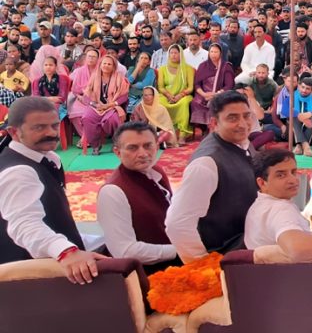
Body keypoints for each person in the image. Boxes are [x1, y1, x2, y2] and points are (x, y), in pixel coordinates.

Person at [0, 97, 106, 283]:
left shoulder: (48, 157)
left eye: (55, 125)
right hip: (35, 277)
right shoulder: (19, 172)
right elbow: (24, 225)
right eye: (39, 127)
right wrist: (66, 252)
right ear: (14, 132)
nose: (51, 133)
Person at [166, 91, 258, 262]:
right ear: (214, 122)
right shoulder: (206, 164)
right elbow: (177, 223)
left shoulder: (241, 143)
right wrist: (203, 265)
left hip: (247, 241)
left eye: (246, 116)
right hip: (227, 254)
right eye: (233, 118)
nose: (243, 124)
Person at [97, 122, 179, 273]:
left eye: (148, 146)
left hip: (174, 263)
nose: (142, 153)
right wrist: (178, 250)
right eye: (132, 148)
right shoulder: (113, 192)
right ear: (117, 152)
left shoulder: (156, 172)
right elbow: (125, 251)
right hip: (146, 276)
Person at [81, 54, 129, 155]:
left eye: (109, 64)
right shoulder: (94, 76)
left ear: (113, 67)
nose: (106, 66)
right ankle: (96, 145)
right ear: (100, 65)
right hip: (96, 106)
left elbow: (124, 96)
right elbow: (86, 95)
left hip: (112, 106)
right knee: (86, 117)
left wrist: (108, 105)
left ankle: (116, 142)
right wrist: (93, 104)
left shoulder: (119, 78)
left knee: (112, 119)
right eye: (104, 63)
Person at [157, 45, 194, 145]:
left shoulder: (188, 69)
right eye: (171, 53)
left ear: (180, 54)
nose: (173, 55)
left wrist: (180, 95)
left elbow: (190, 87)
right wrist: (169, 95)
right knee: (160, 103)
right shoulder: (162, 69)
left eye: (176, 53)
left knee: (184, 103)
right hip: (167, 95)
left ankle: (182, 135)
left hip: (183, 96)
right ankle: (166, 133)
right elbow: (161, 87)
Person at [190, 44, 235, 127]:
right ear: (209, 53)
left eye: (216, 52)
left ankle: (213, 126)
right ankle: (199, 127)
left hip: (219, 94)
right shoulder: (203, 66)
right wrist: (203, 94)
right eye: (212, 52)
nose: (213, 54)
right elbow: (197, 84)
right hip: (204, 93)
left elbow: (229, 85)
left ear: (220, 53)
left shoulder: (226, 66)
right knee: (195, 102)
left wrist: (216, 94)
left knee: (215, 103)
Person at [280, 77, 312, 157]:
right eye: (303, 87)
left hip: (311, 137)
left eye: (307, 89)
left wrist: (311, 113)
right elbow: (284, 111)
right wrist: (299, 115)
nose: (304, 90)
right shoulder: (291, 98)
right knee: (293, 116)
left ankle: (299, 145)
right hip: (293, 136)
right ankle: (305, 145)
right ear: (298, 86)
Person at [67, 46, 99, 139]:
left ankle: (87, 138)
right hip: (81, 98)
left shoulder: (100, 71)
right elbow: (75, 89)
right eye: (89, 56)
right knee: (74, 112)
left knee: (89, 115)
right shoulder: (79, 71)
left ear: (98, 59)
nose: (91, 59)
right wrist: (78, 96)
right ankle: (85, 137)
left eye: (93, 57)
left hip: (96, 100)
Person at [31, 55, 70, 120]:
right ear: (42, 67)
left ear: (55, 67)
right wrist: (50, 99)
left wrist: (44, 99)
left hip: (57, 105)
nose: (48, 67)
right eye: (46, 65)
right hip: (40, 105)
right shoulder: (37, 81)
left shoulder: (62, 79)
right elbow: (35, 98)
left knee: (54, 107)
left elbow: (61, 98)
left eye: (50, 65)